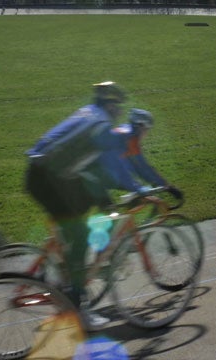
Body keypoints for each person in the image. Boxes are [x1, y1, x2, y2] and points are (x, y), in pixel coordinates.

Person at [25, 81, 135, 328]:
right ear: (110, 105)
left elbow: (88, 167)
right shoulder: (102, 126)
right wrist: (132, 192)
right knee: (81, 234)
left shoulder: (89, 112)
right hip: (48, 179)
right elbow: (108, 169)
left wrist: (104, 199)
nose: (120, 113)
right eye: (118, 107)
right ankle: (76, 307)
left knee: (79, 218)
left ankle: (55, 268)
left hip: (43, 174)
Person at [109, 108, 184, 202]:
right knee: (140, 191)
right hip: (103, 170)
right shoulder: (132, 139)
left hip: (96, 165)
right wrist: (167, 187)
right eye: (146, 129)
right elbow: (143, 167)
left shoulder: (125, 129)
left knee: (137, 188)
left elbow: (134, 166)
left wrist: (158, 183)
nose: (146, 133)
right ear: (140, 126)